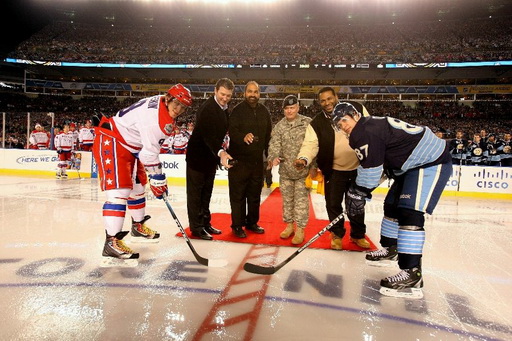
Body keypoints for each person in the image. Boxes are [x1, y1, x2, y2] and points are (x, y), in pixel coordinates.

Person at [331, 101, 452, 299]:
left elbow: (370, 172)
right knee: (391, 205)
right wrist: (359, 191)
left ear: (355, 115)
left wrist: (358, 191)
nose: (343, 125)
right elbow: (376, 167)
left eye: (345, 120)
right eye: (339, 124)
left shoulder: (364, 131)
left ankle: (412, 273)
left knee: (409, 212)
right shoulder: (366, 129)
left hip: (430, 162)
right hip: (409, 166)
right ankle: (391, 248)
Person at [92, 83, 192, 265]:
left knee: (138, 187)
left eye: (183, 107)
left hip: (130, 146)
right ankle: (111, 242)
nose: (179, 110)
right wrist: (159, 178)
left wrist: (156, 178)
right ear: (168, 98)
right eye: (176, 104)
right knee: (119, 193)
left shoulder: (161, 105)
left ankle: (137, 226)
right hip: (113, 141)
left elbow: (146, 149)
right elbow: (149, 154)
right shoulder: (157, 120)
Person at [294, 87, 370, 250]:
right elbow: (310, 144)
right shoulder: (317, 122)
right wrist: (303, 158)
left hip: (358, 169)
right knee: (333, 204)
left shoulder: (356, 107)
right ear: (319, 102)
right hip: (334, 171)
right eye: (323, 100)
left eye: (330, 98)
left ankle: (357, 235)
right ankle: (336, 234)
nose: (327, 103)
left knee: (357, 204)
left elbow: (370, 128)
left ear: (336, 97)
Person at [186, 78, 235, 240]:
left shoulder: (223, 108)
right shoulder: (207, 109)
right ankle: (196, 227)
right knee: (196, 195)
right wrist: (221, 152)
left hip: (210, 159)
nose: (225, 98)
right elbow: (209, 137)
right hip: (197, 159)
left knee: (206, 193)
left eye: (228, 95)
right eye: (222, 94)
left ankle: (205, 223)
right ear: (215, 91)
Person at [227, 81, 272, 238]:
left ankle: (252, 222)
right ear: (244, 93)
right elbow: (232, 131)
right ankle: (237, 225)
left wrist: (269, 156)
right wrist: (242, 136)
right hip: (239, 161)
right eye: (250, 91)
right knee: (238, 196)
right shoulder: (237, 111)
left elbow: (268, 136)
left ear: (259, 93)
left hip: (257, 162)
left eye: (256, 92)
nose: (253, 94)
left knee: (254, 195)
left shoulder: (264, 111)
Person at [267, 95, 312, 244]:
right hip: (285, 172)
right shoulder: (279, 126)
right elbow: (274, 144)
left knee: (301, 202)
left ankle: (300, 229)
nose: (290, 111)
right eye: (287, 108)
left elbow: (313, 145)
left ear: (298, 108)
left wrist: (314, 167)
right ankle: (289, 226)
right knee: (287, 201)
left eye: (292, 108)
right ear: (283, 110)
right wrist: (273, 157)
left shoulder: (307, 123)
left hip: (302, 172)